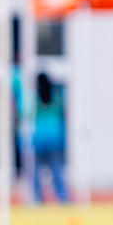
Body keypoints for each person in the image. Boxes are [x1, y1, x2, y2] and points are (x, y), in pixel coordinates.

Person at [31, 72, 69, 204]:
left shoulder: (34, 98)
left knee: (34, 173)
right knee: (57, 171)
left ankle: (37, 200)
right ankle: (62, 198)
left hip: (38, 140)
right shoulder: (57, 97)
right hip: (55, 139)